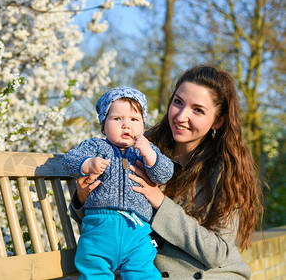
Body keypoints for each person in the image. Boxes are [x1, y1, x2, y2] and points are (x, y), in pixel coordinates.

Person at [69, 65, 264, 279]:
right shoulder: (137, 146)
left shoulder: (226, 171)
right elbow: (102, 221)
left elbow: (217, 253)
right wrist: (81, 197)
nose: (181, 117)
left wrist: (160, 202)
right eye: (178, 102)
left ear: (218, 121)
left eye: (197, 110)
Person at [63, 86, 174, 280]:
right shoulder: (96, 146)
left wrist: (150, 156)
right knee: (94, 270)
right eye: (117, 119)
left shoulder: (145, 149)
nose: (126, 125)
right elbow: (69, 160)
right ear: (104, 124)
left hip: (136, 230)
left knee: (143, 272)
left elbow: (165, 173)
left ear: (143, 125)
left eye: (134, 119)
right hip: (99, 228)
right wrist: (88, 164)